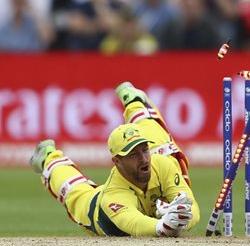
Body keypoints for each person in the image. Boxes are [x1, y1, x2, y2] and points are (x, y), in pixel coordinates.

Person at [29, 82, 200, 237]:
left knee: (161, 146)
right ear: (117, 161)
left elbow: (193, 209)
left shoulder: (159, 163)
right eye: (133, 154)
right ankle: (48, 157)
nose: (143, 158)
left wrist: (183, 218)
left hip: (152, 198)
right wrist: (163, 226)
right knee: (75, 191)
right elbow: (134, 224)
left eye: (143, 150)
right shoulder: (112, 196)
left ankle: (134, 101)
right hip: (96, 209)